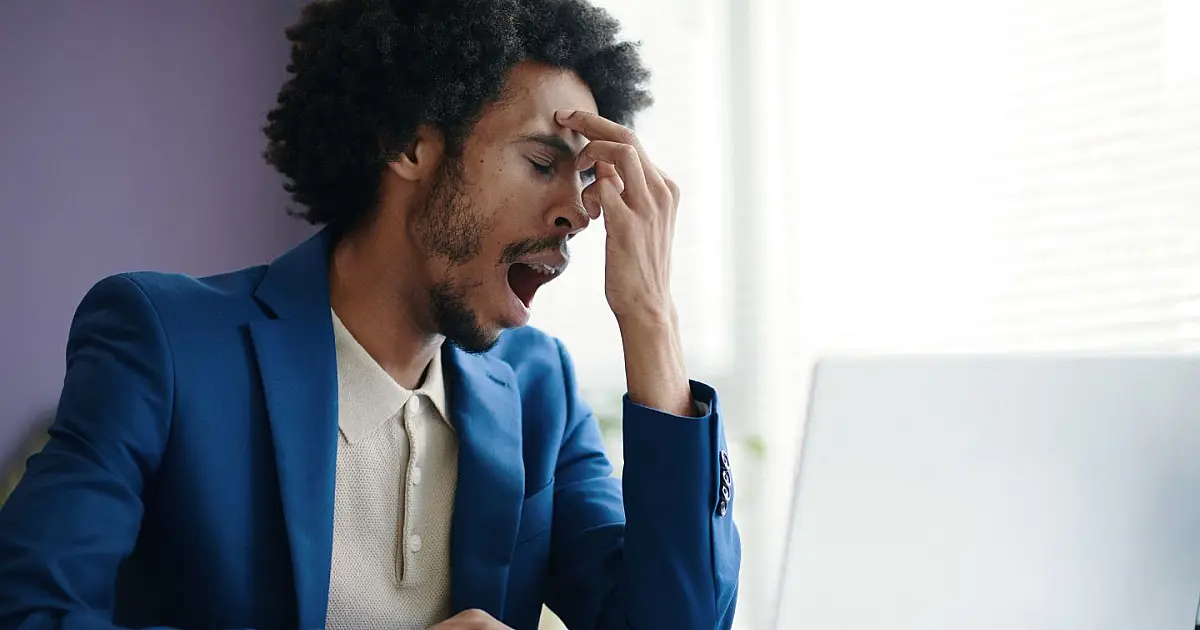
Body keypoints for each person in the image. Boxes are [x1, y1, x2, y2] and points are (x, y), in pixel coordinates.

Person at [0, 0, 740, 628]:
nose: (577, 214)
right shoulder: (165, 341)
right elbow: (33, 611)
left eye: (584, 181)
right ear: (408, 146)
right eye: (543, 165)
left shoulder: (538, 386)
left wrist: (651, 320)